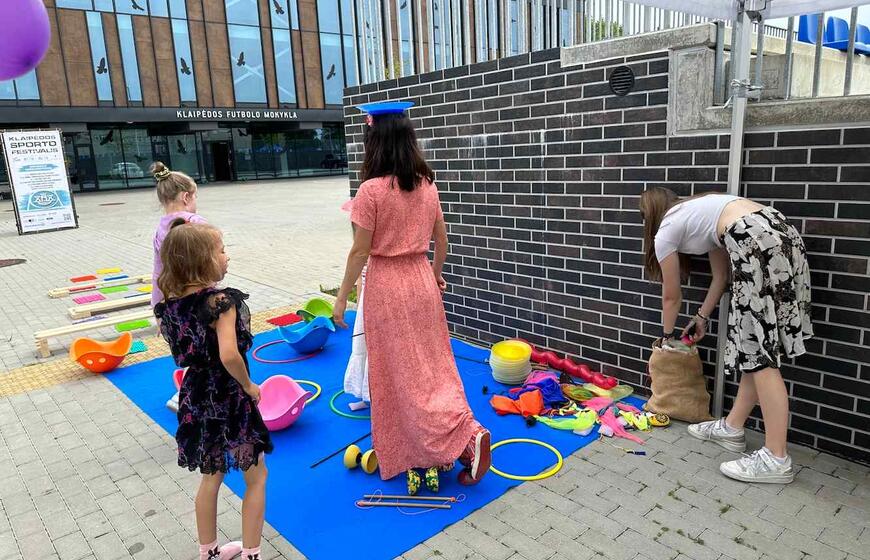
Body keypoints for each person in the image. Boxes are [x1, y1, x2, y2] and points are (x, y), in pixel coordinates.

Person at [332, 101, 491, 494]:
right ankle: (461, 432)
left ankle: (453, 438)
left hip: (387, 286)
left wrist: (341, 298)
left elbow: (359, 251)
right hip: (421, 280)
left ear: (374, 140)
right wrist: (434, 275)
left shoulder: (370, 191)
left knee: (400, 376)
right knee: (433, 367)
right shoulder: (427, 184)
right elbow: (442, 239)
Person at [640, 187, 813, 484]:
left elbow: (671, 297)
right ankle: (732, 427)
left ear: (649, 215)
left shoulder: (666, 229)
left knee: (758, 352)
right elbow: (721, 277)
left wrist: (666, 337)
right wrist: (701, 317)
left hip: (753, 238)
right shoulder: (702, 212)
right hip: (781, 231)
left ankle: (776, 458)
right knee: (756, 346)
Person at [155, 220, 272, 560]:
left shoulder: (170, 307)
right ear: (202, 260)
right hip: (229, 394)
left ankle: (208, 552)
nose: (227, 256)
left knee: (211, 476)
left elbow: (183, 352)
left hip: (196, 394)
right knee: (256, 476)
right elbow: (229, 355)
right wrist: (248, 385)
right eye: (221, 250)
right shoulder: (220, 302)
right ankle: (252, 554)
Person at [149, 162, 207, 412]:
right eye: (195, 196)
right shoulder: (195, 223)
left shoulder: (160, 229)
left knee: (192, 349)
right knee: (210, 350)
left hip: (172, 302)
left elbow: (158, 271)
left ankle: (188, 393)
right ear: (186, 197)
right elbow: (208, 264)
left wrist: (158, 307)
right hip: (198, 300)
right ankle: (189, 395)